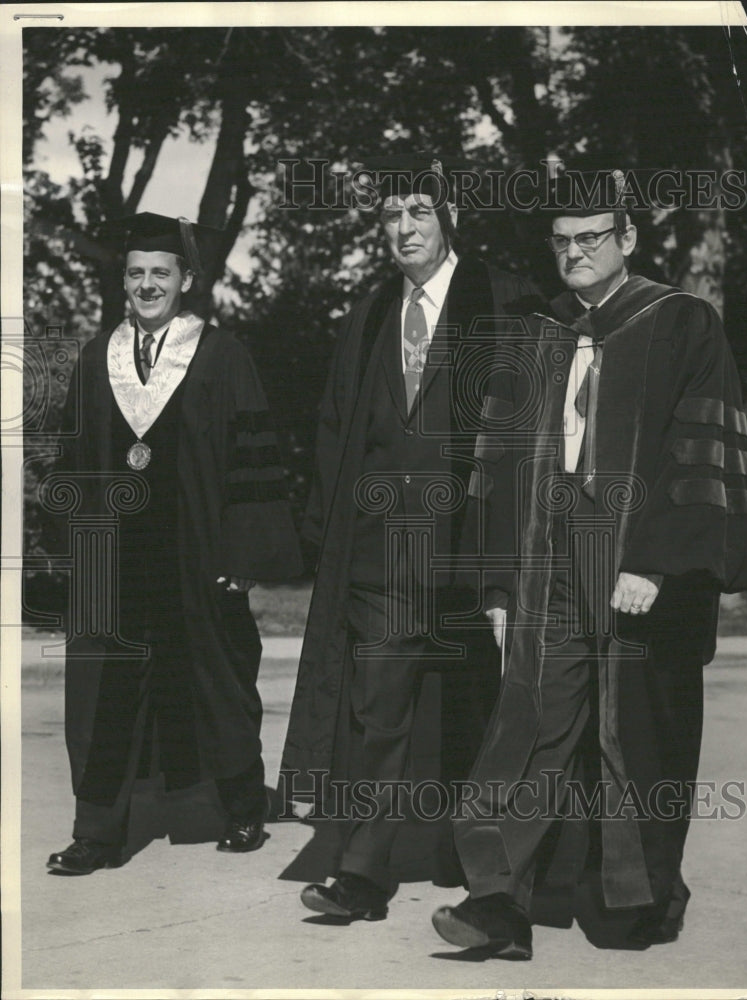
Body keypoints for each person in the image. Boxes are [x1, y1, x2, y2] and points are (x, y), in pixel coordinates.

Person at [431, 168, 747, 958]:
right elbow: (500, 466)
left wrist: (654, 560)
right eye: (563, 241)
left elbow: (700, 448)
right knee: (529, 723)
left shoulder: (683, 323)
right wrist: (501, 583)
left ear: (627, 240)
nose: (574, 253)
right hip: (545, 560)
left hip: (638, 565)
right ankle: (496, 900)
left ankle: (636, 896)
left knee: (634, 730)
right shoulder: (534, 332)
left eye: (591, 238)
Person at [279, 155, 542, 922]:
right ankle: (363, 871)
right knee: (376, 715)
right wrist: (331, 535)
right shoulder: (367, 316)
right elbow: (336, 430)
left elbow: (530, 432)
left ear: (448, 217)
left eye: (417, 213)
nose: (402, 229)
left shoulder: (503, 300)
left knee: (481, 712)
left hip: (472, 549)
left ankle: (485, 868)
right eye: (390, 216)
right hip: (383, 556)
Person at [47, 213, 302, 875]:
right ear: (123, 282)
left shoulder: (221, 355)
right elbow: (75, 464)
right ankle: (96, 831)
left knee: (216, 678)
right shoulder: (97, 357)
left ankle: (244, 809)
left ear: (185, 280)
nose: (147, 284)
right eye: (136, 273)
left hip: (198, 554)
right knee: (103, 689)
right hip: (113, 559)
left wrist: (243, 558)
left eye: (160, 272)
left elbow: (252, 465)